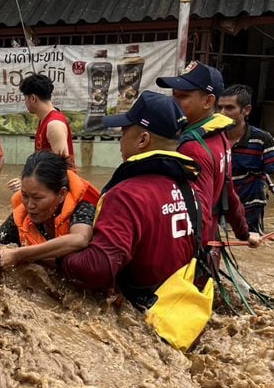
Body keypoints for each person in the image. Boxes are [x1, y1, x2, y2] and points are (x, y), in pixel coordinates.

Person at [61, 91, 203, 299]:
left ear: (143, 139)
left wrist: (58, 256)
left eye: (124, 133)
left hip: (142, 309)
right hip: (182, 304)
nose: (120, 141)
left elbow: (97, 269)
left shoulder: (126, 195)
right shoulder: (193, 189)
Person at [156, 61, 251, 246]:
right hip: (210, 240)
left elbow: (197, 210)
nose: (174, 103)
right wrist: (244, 233)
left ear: (208, 101)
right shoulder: (220, 137)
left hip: (195, 249)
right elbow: (229, 192)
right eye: (174, 96)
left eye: (183, 97)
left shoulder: (191, 148)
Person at [218, 84, 274, 233]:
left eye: (230, 108)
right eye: (220, 108)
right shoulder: (212, 138)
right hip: (218, 210)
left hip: (249, 211)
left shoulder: (261, 140)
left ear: (246, 110)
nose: (223, 113)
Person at [0, 151, 99, 267]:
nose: (30, 205)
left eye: (37, 198)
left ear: (61, 194)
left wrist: (19, 255)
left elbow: (80, 239)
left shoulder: (83, 207)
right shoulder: (22, 216)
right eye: (25, 196)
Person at [19, 73, 75, 166]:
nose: (25, 102)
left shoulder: (54, 124)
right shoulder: (44, 120)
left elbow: (62, 168)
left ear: (33, 98)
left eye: (25, 98)